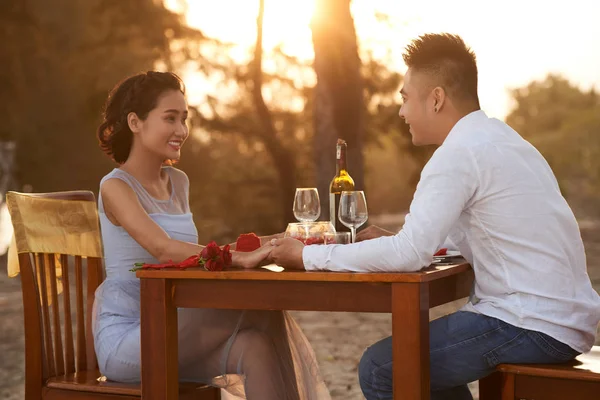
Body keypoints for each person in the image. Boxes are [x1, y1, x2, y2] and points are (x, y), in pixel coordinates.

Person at [270, 33, 600, 400]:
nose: (401, 112)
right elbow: (475, 234)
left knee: (382, 369)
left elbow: (410, 255)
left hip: (528, 323)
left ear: (437, 98)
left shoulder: (458, 154)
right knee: (419, 366)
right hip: (565, 320)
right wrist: (396, 240)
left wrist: (305, 256)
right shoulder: (506, 140)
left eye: (406, 98)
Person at [92, 71, 329, 400]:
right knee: (259, 301)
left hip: (176, 325)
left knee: (257, 347)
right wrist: (237, 257)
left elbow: (199, 253)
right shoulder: (114, 186)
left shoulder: (178, 182)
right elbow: (163, 249)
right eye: (170, 118)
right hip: (130, 338)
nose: (181, 130)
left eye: (184, 119)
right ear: (135, 122)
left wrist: (274, 242)